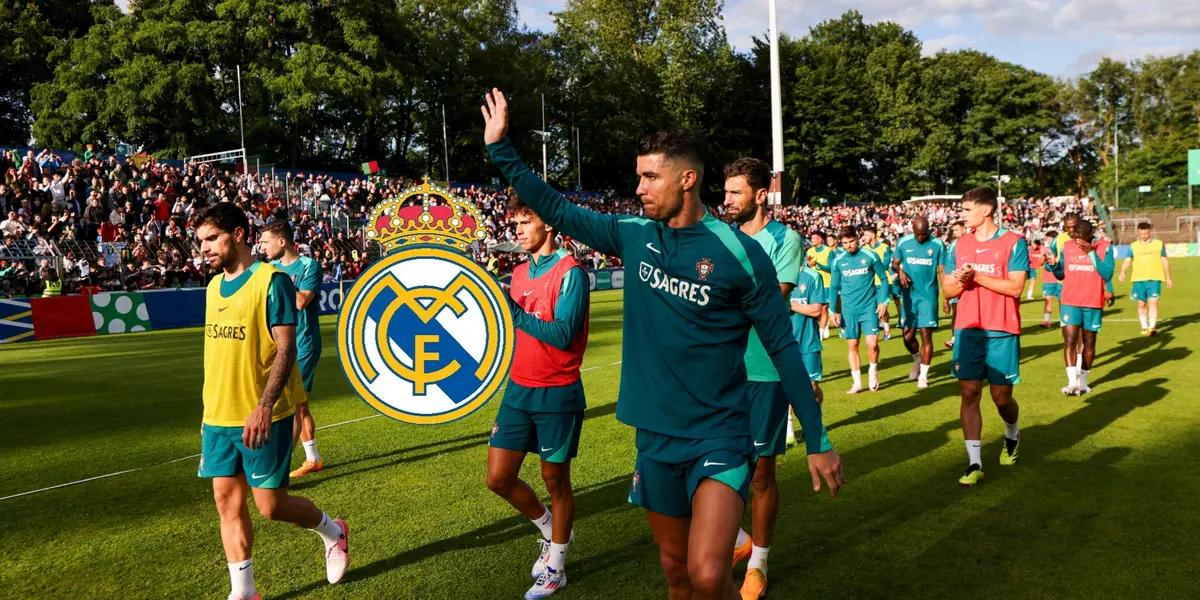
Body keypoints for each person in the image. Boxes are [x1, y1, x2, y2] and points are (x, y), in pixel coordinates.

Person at [481, 88, 842, 600]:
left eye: (650, 176)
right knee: (676, 575)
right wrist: (501, 150)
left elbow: (783, 348)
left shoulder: (741, 254)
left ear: (687, 179)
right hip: (654, 436)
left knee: (709, 574)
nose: (639, 186)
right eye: (640, 175)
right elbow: (556, 209)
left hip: (719, 433)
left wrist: (819, 439)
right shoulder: (632, 233)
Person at [195, 203, 347, 600]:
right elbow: (217, 356)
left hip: (263, 413)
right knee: (226, 502)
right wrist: (207, 411)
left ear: (240, 234)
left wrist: (264, 405)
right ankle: (244, 592)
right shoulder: (212, 288)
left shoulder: (272, 281)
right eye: (201, 242)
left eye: (212, 238)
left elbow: (286, 349)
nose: (205, 249)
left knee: (270, 507)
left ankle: (333, 531)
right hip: (218, 417)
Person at [486, 193, 590, 599]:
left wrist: (515, 314)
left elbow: (564, 335)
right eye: (515, 224)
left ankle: (557, 567)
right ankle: (549, 529)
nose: (516, 230)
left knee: (555, 480)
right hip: (518, 389)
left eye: (524, 222)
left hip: (558, 392)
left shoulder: (572, 272)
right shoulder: (518, 273)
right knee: (498, 478)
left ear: (548, 224)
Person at [720, 157, 803, 600]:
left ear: (761, 194)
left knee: (760, 475)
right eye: (726, 191)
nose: (727, 200)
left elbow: (770, 300)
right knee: (710, 467)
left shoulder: (785, 240)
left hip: (765, 371)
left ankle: (759, 564)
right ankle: (738, 539)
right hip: (719, 370)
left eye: (735, 192)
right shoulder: (720, 237)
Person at [941, 188, 1026, 487]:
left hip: (1002, 328)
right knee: (969, 393)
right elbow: (949, 291)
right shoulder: (958, 245)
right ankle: (974, 463)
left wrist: (976, 276)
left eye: (966, 209)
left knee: (1002, 398)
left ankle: (1012, 435)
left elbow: (1015, 288)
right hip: (967, 329)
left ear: (986, 210)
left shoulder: (1014, 242)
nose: (961, 215)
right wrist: (963, 281)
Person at [258, 221, 326, 478]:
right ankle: (313, 459)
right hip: (276, 345)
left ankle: (281, 467)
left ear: (282, 242)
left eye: (265, 242)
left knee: (297, 403)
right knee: (297, 405)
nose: (262, 247)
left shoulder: (309, 266)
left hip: (303, 343)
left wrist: (278, 277)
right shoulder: (268, 269)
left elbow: (299, 302)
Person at [1046, 219, 1113, 395]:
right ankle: (1071, 383)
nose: (1077, 241)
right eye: (1075, 236)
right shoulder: (1067, 246)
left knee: (1089, 342)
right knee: (1070, 341)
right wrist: (1053, 265)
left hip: (1092, 303)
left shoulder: (1104, 247)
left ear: (1090, 236)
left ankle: (1083, 383)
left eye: (1081, 237)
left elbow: (1107, 273)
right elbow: (1061, 273)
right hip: (1069, 301)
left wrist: (1091, 253)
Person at [829, 226, 889, 393]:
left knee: (872, 344)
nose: (848, 245)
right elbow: (833, 287)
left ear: (858, 239)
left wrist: (884, 301)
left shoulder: (870, 255)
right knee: (853, 345)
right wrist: (833, 311)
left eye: (851, 241)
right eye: (845, 243)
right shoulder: (838, 260)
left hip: (869, 307)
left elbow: (884, 279)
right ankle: (856, 382)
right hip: (849, 310)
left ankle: (873, 372)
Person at [892, 216, 944, 390]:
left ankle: (923, 376)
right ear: (912, 228)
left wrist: (946, 297)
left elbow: (942, 271)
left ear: (929, 229)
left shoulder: (937, 244)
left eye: (924, 234)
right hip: (909, 296)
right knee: (907, 336)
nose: (921, 237)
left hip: (928, 296)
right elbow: (894, 263)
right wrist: (900, 271)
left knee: (926, 335)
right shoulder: (903, 242)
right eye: (918, 234)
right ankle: (917, 359)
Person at [1118, 222, 1173, 336]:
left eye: (1146, 233)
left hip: (1155, 278)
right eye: (1142, 234)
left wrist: (1168, 277)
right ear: (1138, 233)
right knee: (1141, 304)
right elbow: (1128, 259)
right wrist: (1122, 272)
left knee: (1153, 303)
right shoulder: (1134, 246)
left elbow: (1164, 260)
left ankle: (1152, 327)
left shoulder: (1158, 244)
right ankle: (1144, 326)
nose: (1144, 236)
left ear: (1150, 232)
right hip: (1138, 279)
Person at [860, 226, 894, 340]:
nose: (864, 237)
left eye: (866, 235)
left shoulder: (885, 247)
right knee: (871, 307)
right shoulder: (863, 249)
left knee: (882, 308)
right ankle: (873, 331)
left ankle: (887, 330)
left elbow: (885, 264)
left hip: (882, 282)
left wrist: (871, 267)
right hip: (869, 283)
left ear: (873, 235)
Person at [804, 230, 833, 339]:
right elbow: (807, 266)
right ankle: (820, 326)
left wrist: (818, 265)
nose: (812, 240)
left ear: (820, 239)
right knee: (814, 308)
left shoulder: (828, 251)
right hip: (813, 284)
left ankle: (822, 330)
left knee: (824, 308)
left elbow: (831, 268)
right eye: (811, 238)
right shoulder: (810, 251)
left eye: (814, 238)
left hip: (825, 283)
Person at [941, 220, 964, 349]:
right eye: (953, 230)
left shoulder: (968, 244)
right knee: (956, 312)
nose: (954, 233)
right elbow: (948, 267)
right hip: (953, 282)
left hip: (963, 282)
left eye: (956, 230)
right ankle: (955, 338)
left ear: (964, 229)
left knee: (962, 312)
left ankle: (959, 338)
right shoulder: (954, 244)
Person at [1036, 232, 1060, 327]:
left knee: (1062, 301)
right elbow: (1039, 263)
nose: (1046, 241)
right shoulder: (1045, 250)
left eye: (1048, 239)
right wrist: (1042, 255)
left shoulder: (1060, 248)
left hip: (1059, 280)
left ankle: (1064, 320)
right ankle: (1047, 321)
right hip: (1048, 280)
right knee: (1047, 300)